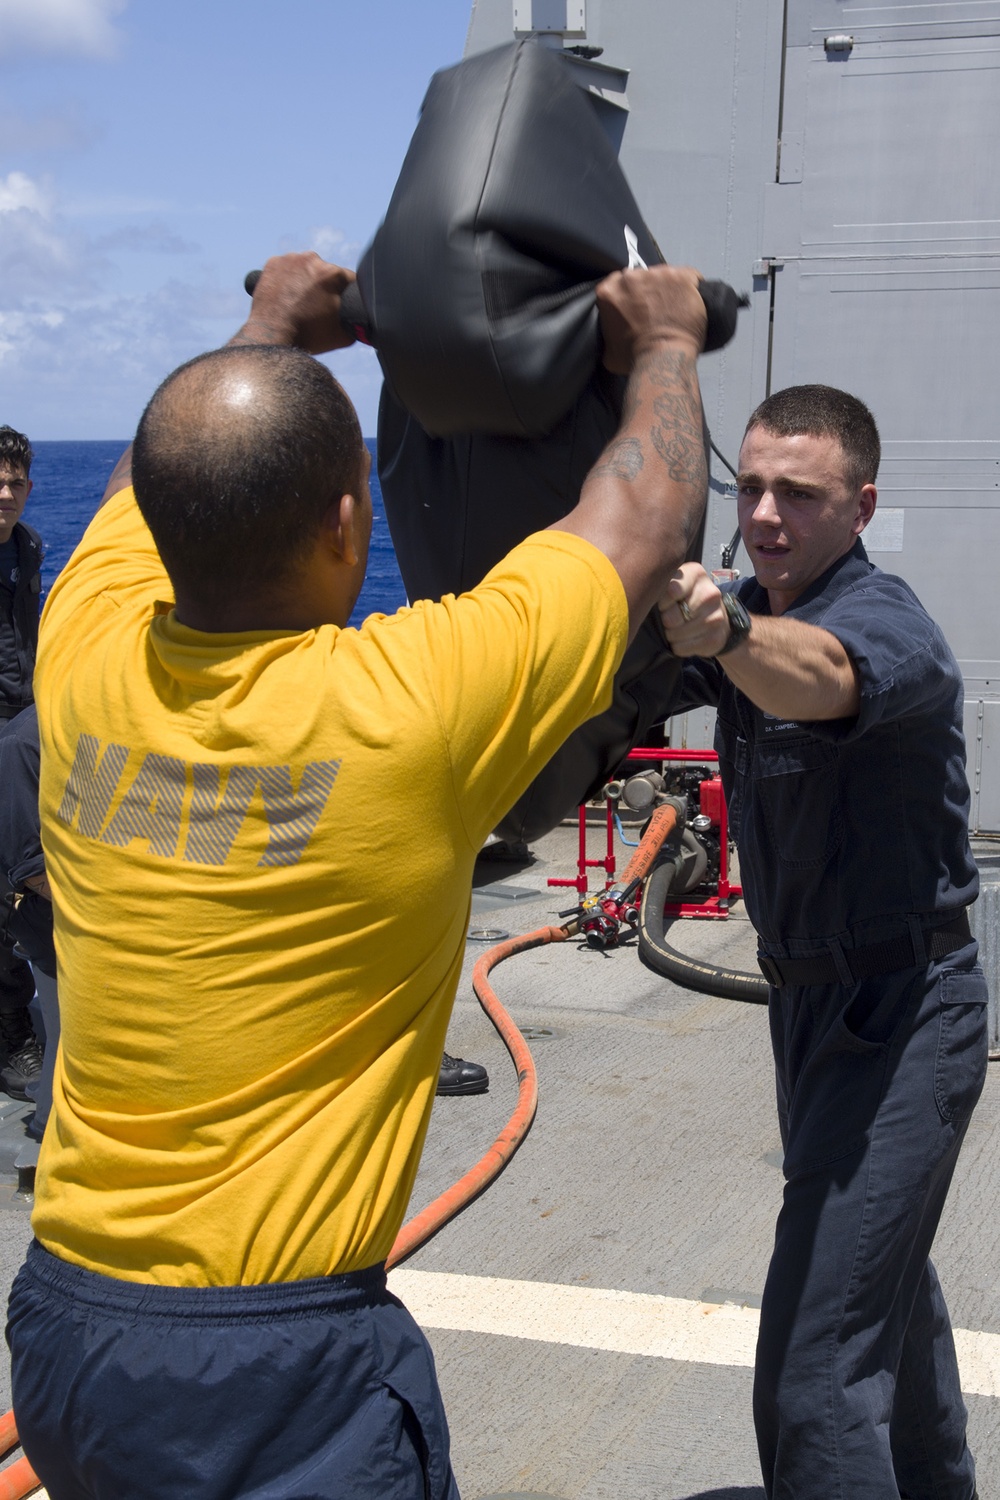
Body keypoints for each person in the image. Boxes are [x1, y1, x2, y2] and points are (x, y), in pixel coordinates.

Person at [7, 250, 711, 1499]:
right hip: (278, 1371)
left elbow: (139, 482)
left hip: (65, 1325)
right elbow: (640, 521)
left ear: (156, 534)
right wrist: (663, 337)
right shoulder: (411, 704)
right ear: (350, 519)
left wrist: (272, 318)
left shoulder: (82, 642)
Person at [660, 384, 986, 1500]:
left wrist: (731, 629)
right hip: (807, 1011)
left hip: (905, 1013)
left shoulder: (879, 620)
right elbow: (626, 680)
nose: (762, 515)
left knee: (813, 1365)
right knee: (884, 1300)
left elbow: (823, 678)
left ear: (860, 507)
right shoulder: (743, 609)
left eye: (797, 494)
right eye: (747, 487)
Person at [0, 426, 44, 1104]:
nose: (5, 493)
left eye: (16, 481)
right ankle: (10, 1031)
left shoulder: (28, 549)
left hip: (21, 724)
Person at [0, 705, 58, 1145]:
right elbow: (31, 869)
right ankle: (48, 1129)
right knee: (64, 1035)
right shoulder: (23, 742)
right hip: (50, 917)